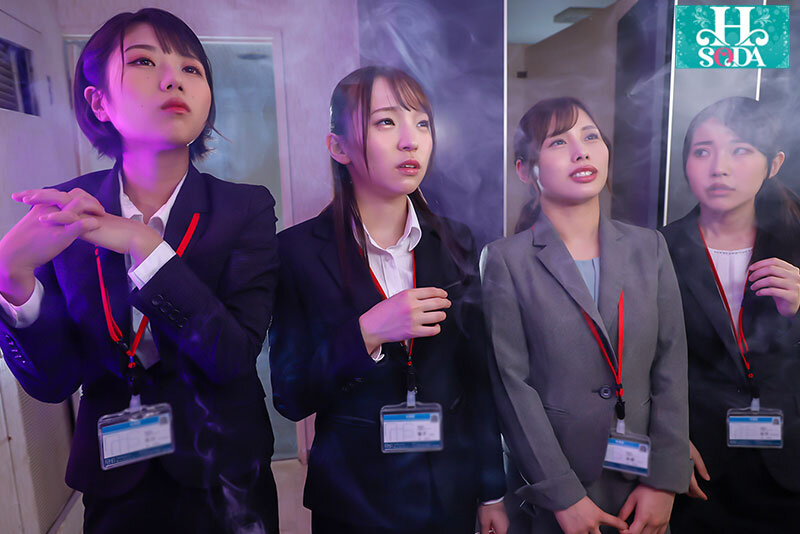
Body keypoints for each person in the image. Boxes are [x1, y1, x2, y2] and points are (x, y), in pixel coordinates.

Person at [0, 9, 279, 533]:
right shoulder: (64, 211)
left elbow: (232, 356)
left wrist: (145, 247)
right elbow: (54, 382)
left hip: (227, 471)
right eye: (144, 62)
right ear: (98, 102)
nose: (174, 79)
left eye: (191, 69)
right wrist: (10, 274)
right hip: (114, 478)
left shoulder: (245, 208)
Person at [268, 66, 508, 534]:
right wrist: (367, 332)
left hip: (449, 490)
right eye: (385, 122)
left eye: (422, 123)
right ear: (339, 147)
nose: (410, 140)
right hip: (354, 497)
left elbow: (477, 378)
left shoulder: (456, 241)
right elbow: (290, 395)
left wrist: (492, 491)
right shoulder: (297, 252)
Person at [482, 97, 690, 534]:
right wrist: (563, 496)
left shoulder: (649, 247)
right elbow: (512, 387)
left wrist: (664, 481)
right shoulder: (506, 260)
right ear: (525, 170)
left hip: (642, 488)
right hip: (554, 494)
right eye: (559, 142)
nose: (581, 151)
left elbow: (670, 367)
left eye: (591, 136)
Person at [663, 97, 800, 534]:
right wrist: (667, 442)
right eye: (703, 151)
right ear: (686, 163)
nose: (719, 167)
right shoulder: (656, 249)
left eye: (740, 150)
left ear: (774, 163)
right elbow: (638, 360)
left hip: (791, 463)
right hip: (698, 466)